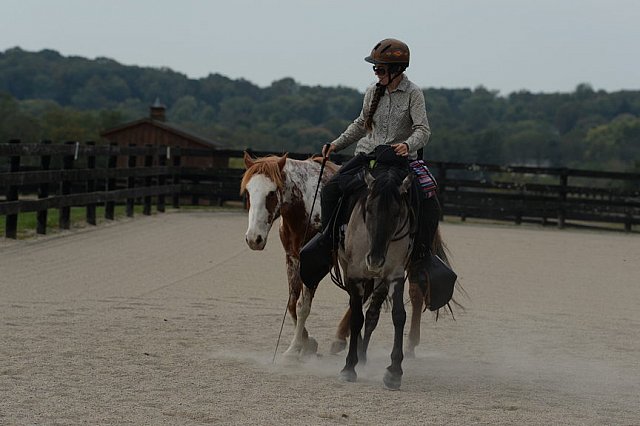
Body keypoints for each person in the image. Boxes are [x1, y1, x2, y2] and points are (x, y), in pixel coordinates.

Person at [301, 38, 440, 291]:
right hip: (367, 155)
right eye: (375, 68)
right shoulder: (372, 92)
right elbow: (360, 124)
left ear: (397, 69)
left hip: (398, 160)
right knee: (332, 189)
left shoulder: (414, 94)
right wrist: (336, 144)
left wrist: (408, 145)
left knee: (426, 198)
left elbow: (423, 130)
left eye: (380, 69)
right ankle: (330, 241)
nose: (376, 73)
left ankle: (422, 254)